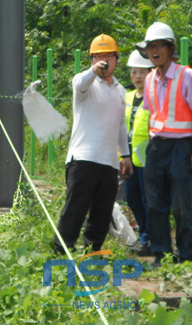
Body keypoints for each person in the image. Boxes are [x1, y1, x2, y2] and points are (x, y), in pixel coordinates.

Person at [54, 34, 133, 254]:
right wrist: (93, 72)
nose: (104, 61)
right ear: (91, 60)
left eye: (108, 56)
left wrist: (125, 155)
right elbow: (81, 83)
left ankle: (92, 253)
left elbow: (120, 126)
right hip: (83, 159)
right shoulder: (84, 83)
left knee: (102, 212)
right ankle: (62, 252)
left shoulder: (121, 92)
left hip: (109, 161)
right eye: (99, 56)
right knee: (75, 210)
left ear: (117, 59)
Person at [140, 22, 192, 268]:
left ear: (170, 49)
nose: (154, 51)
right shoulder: (148, 79)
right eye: (150, 47)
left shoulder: (186, 75)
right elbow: (150, 115)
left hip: (181, 148)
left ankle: (187, 256)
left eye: (159, 46)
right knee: (155, 204)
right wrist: (150, 145)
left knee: (181, 204)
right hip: (156, 147)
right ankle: (162, 253)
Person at [125, 50, 154, 256]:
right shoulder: (127, 97)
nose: (137, 76)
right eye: (134, 72)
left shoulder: (155, 96)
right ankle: (144, 233)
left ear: (150, 73)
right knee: (132, 199)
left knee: (148, 200)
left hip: (148, 158)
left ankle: (148, 238)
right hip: (129, 158)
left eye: (141, 72)